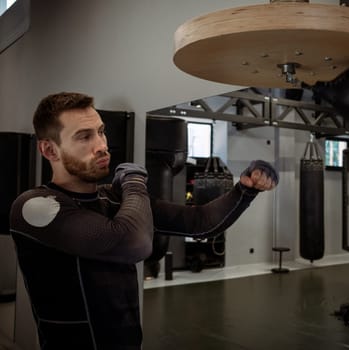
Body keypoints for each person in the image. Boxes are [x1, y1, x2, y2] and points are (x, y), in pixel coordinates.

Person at [9, 92, 278, 350]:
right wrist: (135, 181)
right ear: (49, 150)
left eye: (101, 131)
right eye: (84, 136)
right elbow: (132, 244)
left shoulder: (114, 200)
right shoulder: (35, 206)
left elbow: (200, 222)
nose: (101, 145)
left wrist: (244, 189)